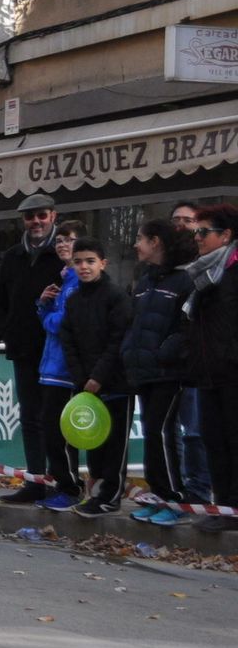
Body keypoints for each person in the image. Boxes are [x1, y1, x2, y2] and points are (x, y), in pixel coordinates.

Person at [0, 193, 65, 504]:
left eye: (41, 215)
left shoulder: (63, 256)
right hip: (24, 351)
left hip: (57, 352)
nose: (36, 222)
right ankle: (35, 481)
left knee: (56, 417)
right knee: (30, 417)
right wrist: (8, 332)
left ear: (53, 216)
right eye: (30, 216)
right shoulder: (13, 256)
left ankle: (62, 482)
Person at [120, 220, 197, 526]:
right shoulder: (145, 280)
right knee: (152, 435)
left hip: (168, 372)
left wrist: (167, 353)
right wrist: (129, 351)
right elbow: (136, 323)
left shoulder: (185, 280)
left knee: (162, 432)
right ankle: (157, 494)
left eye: (140, 239)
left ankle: (174, 498)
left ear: (157, 242)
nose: (136, 245)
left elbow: (186, 326)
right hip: (143, 370)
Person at [57, 238, 133, 518]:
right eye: (78, 262)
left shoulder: (116, 296)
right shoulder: (75, 300)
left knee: (116, 445)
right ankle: (96, 492)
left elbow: (118, 341)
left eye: (90, 261)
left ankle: (111, 496)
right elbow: (68, 340)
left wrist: (98, 377)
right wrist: (82, 378)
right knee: (94, 442)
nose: (84, 267)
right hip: (86, 386)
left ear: (103, 263)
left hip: (116, 384)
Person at [183, 204, 238, 533]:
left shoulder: (232, 271)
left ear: (226, 235)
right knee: (213, 440)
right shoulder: (203, 272)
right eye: (195, 233)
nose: (198, 238)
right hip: (207, 371)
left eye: (204, 232)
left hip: (232, 370)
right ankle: (224, 506)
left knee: (234, 440)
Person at [32, 221, 85, 512]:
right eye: (60, 240)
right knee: (50, 431)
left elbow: (61, 324)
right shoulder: (65, 279)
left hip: (66, 370)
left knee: (60, 433)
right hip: (52, 366)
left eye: (70, 240)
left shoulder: (77, 281)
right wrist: (43, 304)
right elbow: (50, 321)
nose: (63, 245)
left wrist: (48, 312)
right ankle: (63, 484)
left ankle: (71, 486)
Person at [169, 200, 212, 504]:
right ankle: (178, 488)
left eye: (187, 220)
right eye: (176, 220)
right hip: (169, 363)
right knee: (173, 431)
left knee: (196, 431)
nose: (181, 225)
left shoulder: (206, 266)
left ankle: (199, 490)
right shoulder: (160, 268)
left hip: (199, 361)